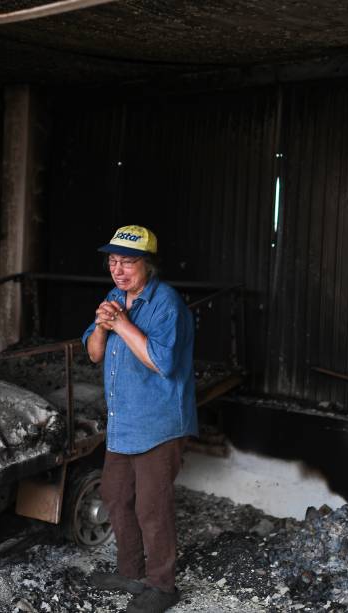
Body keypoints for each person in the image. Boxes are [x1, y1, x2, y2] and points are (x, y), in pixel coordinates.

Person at [82, 224, 197, 613]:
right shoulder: (114, 297)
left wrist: (122, 325)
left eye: (128, 262)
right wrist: (101, 324)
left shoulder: (168, 305)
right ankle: (131, 573)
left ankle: (163, 587)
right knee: (116, 495)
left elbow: (161, 363)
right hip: (124, 422)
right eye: (113, 261)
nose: (118, 270)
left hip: (159, 424)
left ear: (148, 264)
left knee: (152, 506)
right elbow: (95, 353)